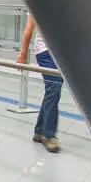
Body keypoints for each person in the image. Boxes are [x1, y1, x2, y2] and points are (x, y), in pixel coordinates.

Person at [17, 15, 63, 153]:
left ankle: (39, 131)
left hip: (60, 53)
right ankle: (49, 135)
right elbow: (29, 28)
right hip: (45, 52)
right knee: (54, 88)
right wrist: (23, 54)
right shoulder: (39, 4)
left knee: (51, 91)